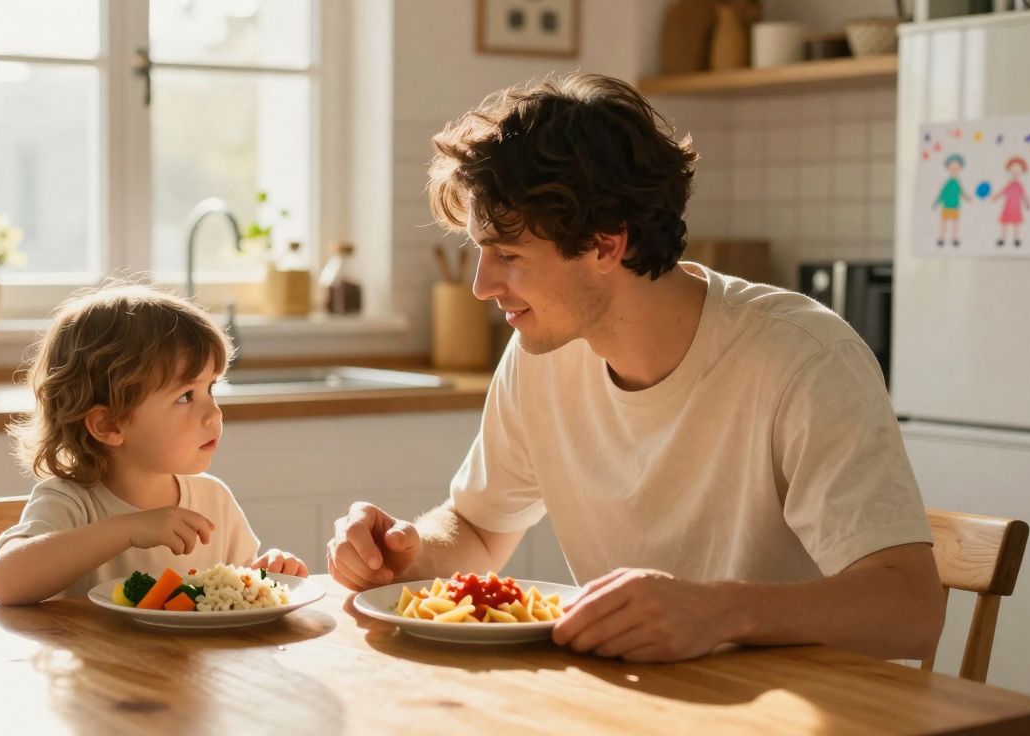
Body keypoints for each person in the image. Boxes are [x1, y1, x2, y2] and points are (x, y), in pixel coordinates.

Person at [326, 73, 944, 663]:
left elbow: (910, 610)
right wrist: (406, 552)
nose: (483, 286)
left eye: (507, 255)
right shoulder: (542, 352)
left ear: (605, 244)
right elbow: (480, 531)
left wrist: (720, 611)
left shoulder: (801, 358)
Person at [0, 283, 307, 605]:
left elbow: (238, 589)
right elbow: (7, 582)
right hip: (97, 656)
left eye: (211, 389)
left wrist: (270, 571)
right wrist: (125, 530)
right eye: (186, 396)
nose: (214, 413)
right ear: (109, 424)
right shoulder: (70, 501)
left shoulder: (213, 499)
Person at [992, 156, 1030, 248]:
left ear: (1022, 172)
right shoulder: (1009, 184)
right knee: (1004, 223)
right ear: (1009, 171)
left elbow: (1024, 195)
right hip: (1008, 207)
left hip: (1016, 208)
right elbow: (1002, 191)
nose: (1015, 172)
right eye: (1013, 170)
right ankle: (1002, 239)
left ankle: (1016, 239)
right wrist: (996, 196)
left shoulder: (1020, 185)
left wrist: (1028, 203)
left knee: (1016, 224)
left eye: (1018, 171)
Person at [934, 153, 971, 247]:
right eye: (952, 168)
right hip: (946, 206)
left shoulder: (958, 182)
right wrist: (937, 202)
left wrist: (967, 198)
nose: (954, 169)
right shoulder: (948, 182)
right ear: (948, 169)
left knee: (955, 223)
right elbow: (942, 193)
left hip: (955, 206)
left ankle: (954, 239)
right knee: (944, 223)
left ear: (960, 168)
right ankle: (941, 238)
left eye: (956, 168)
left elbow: (961, 192)